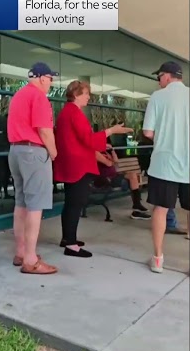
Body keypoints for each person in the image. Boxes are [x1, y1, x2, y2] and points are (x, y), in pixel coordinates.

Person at [53, 80, 132, 258]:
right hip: (77, 166)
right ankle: (71, 245)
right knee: (75, 204)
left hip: (70, 164)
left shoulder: (66, 112)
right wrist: (111, 131)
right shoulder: (74, 112)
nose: (89, 96)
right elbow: (88, 139)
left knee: (70, 203)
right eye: (86, 93)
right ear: (76, 94)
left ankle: (68, 238)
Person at [7, 63, 59, 274]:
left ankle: (21, 252)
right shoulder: (39, 97)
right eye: (51, 78)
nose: (52, 82)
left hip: (16, 152)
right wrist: (54, 152)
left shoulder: (18, 96)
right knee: (35, 206)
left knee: (21, 203)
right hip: (33, 151)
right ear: (41, 78)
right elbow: (44, 130)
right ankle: (30, 259)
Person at [142, 61, 190, 273]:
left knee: (160, 210)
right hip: (189, 163)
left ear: (168, 76)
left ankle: (158, 258)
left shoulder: (157, 96)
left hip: (164, 163)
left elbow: (148, 133)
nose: (158, 81)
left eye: (159, 76)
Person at [95, 141, 150, 219]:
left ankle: (137, 205)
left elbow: (116, 161)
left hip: (114, 176)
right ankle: (137, 205)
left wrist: (112, 150)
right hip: (106, 179)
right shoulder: (95, 153)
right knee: (132, 180)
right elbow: (109, 163)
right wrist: (112, 161)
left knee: (133, 175)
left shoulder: (104, 152)